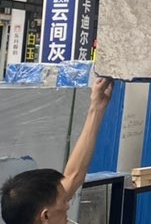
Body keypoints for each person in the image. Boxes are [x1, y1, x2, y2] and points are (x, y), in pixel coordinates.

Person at [1, 77, 114, 224]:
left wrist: (97, 106)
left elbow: (74, 175)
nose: (67, 206)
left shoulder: (31, 211)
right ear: (45, 216)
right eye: (64, 202)